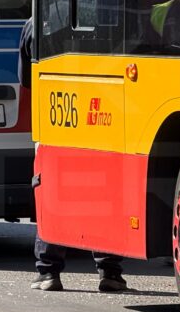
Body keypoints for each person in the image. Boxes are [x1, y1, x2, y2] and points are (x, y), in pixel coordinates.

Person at [18, 17, 128, 293]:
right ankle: (110, 271)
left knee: (54, 192)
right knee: (102, 192)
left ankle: (48, 272)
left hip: (58, 115)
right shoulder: (107, 19)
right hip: (101, 114)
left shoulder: (39, 23)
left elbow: (25, 78)